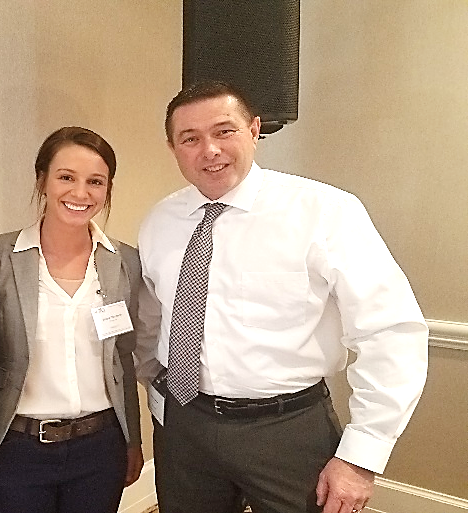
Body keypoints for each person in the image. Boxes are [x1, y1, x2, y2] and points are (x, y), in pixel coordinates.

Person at [135, 81, 429, 513]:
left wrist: (361, 457)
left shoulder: (325, 211)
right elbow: (153, 319)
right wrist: (156, 392)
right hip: (184, 427)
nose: (209, 150)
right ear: (172, 147)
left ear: (254, 130)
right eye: (190, 138)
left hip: (287, 430)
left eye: (224, 131)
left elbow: (391, 330)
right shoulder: (160, 220)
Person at [0, 126, 144, 513]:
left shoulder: (125, 263)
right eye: (66, 177)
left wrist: (132, 439)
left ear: (107, 189)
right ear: (43, 181)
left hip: (99, 449)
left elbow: (123, 358)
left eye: (95, 182)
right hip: (14, 448)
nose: (80, 193)